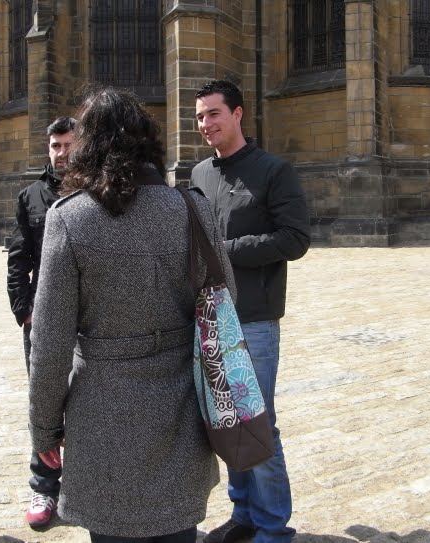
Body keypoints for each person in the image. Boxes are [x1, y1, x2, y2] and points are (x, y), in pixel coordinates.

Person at [28, 87, 226, 543]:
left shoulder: (70, 218)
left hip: (103, 413)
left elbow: (51, 343)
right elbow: (224, 298)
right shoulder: (192, 207)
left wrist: (44, 428)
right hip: (181, 406)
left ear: (87, 146)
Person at [190, 80, 309, 543]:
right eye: (200, 117)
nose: (206, 124)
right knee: (227, 419)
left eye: (213, 114)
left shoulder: (274, 171)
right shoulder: (199, 174)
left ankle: (274, 527)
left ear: (238, 113)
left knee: (258, 423)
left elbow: (295, 238)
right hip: (210, 316)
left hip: (254, 316)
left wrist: (226, 250)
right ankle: (244, 514)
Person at [7, 115, 76, 529]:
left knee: (87, 400)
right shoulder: (30, 196)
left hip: (86, 319)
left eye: (68, 144)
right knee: (44, 400)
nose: (61, 152)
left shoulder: (95, 190)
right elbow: (18, 259)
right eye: (55, 146)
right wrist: (25, 311)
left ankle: (84, 486)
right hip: (42, 317)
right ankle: (44, 487)